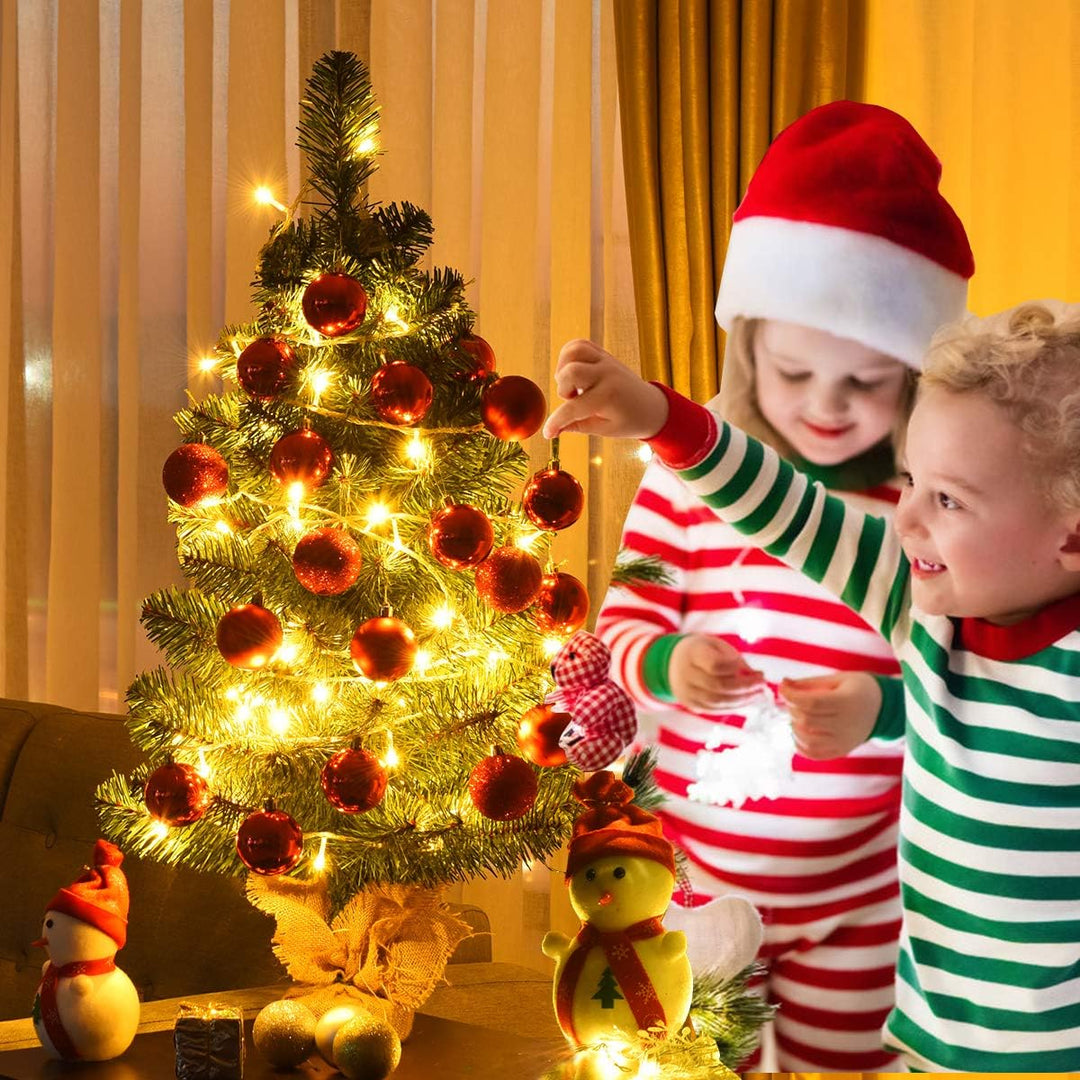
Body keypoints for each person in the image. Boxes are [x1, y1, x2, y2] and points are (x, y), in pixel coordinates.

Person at [545, 300, 1080, 1072]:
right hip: (933, 1043)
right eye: (911, 481)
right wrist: (661, 418)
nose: (907, 519)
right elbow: (792, 511)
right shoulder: (921, 608)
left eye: (950, 499)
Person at [593, 100, 973, 1069]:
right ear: (748, 345)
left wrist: (881, 709)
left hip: (870, 894)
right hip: (701, 884)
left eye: (866, 383)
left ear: (917, 379)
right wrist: (669, 662)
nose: (825, 407)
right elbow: (621, 626)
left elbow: (963, 677)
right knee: (688, 1060)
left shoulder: (927, 507)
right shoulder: (688, 478)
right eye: (796, 371)